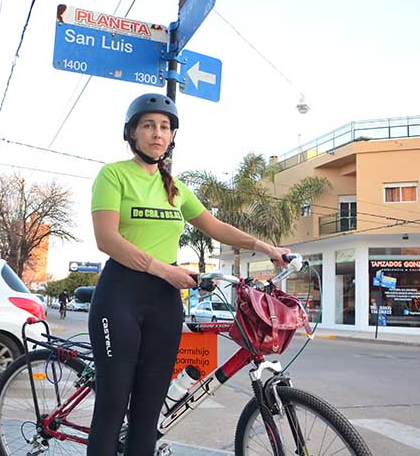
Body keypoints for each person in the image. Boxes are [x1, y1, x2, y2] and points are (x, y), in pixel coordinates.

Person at [88, 93, 291, 455]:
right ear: (132, 133)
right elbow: (107, 238)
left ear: (172, 137)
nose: (157, 133)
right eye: (148, 125)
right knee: (113, 405)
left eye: (164, 127)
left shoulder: (176, 189)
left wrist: (268, 249)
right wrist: (163, 269)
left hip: (164, 303)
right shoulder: (114, 175)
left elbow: (216, 227)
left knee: (149, 412)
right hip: (120, 295)